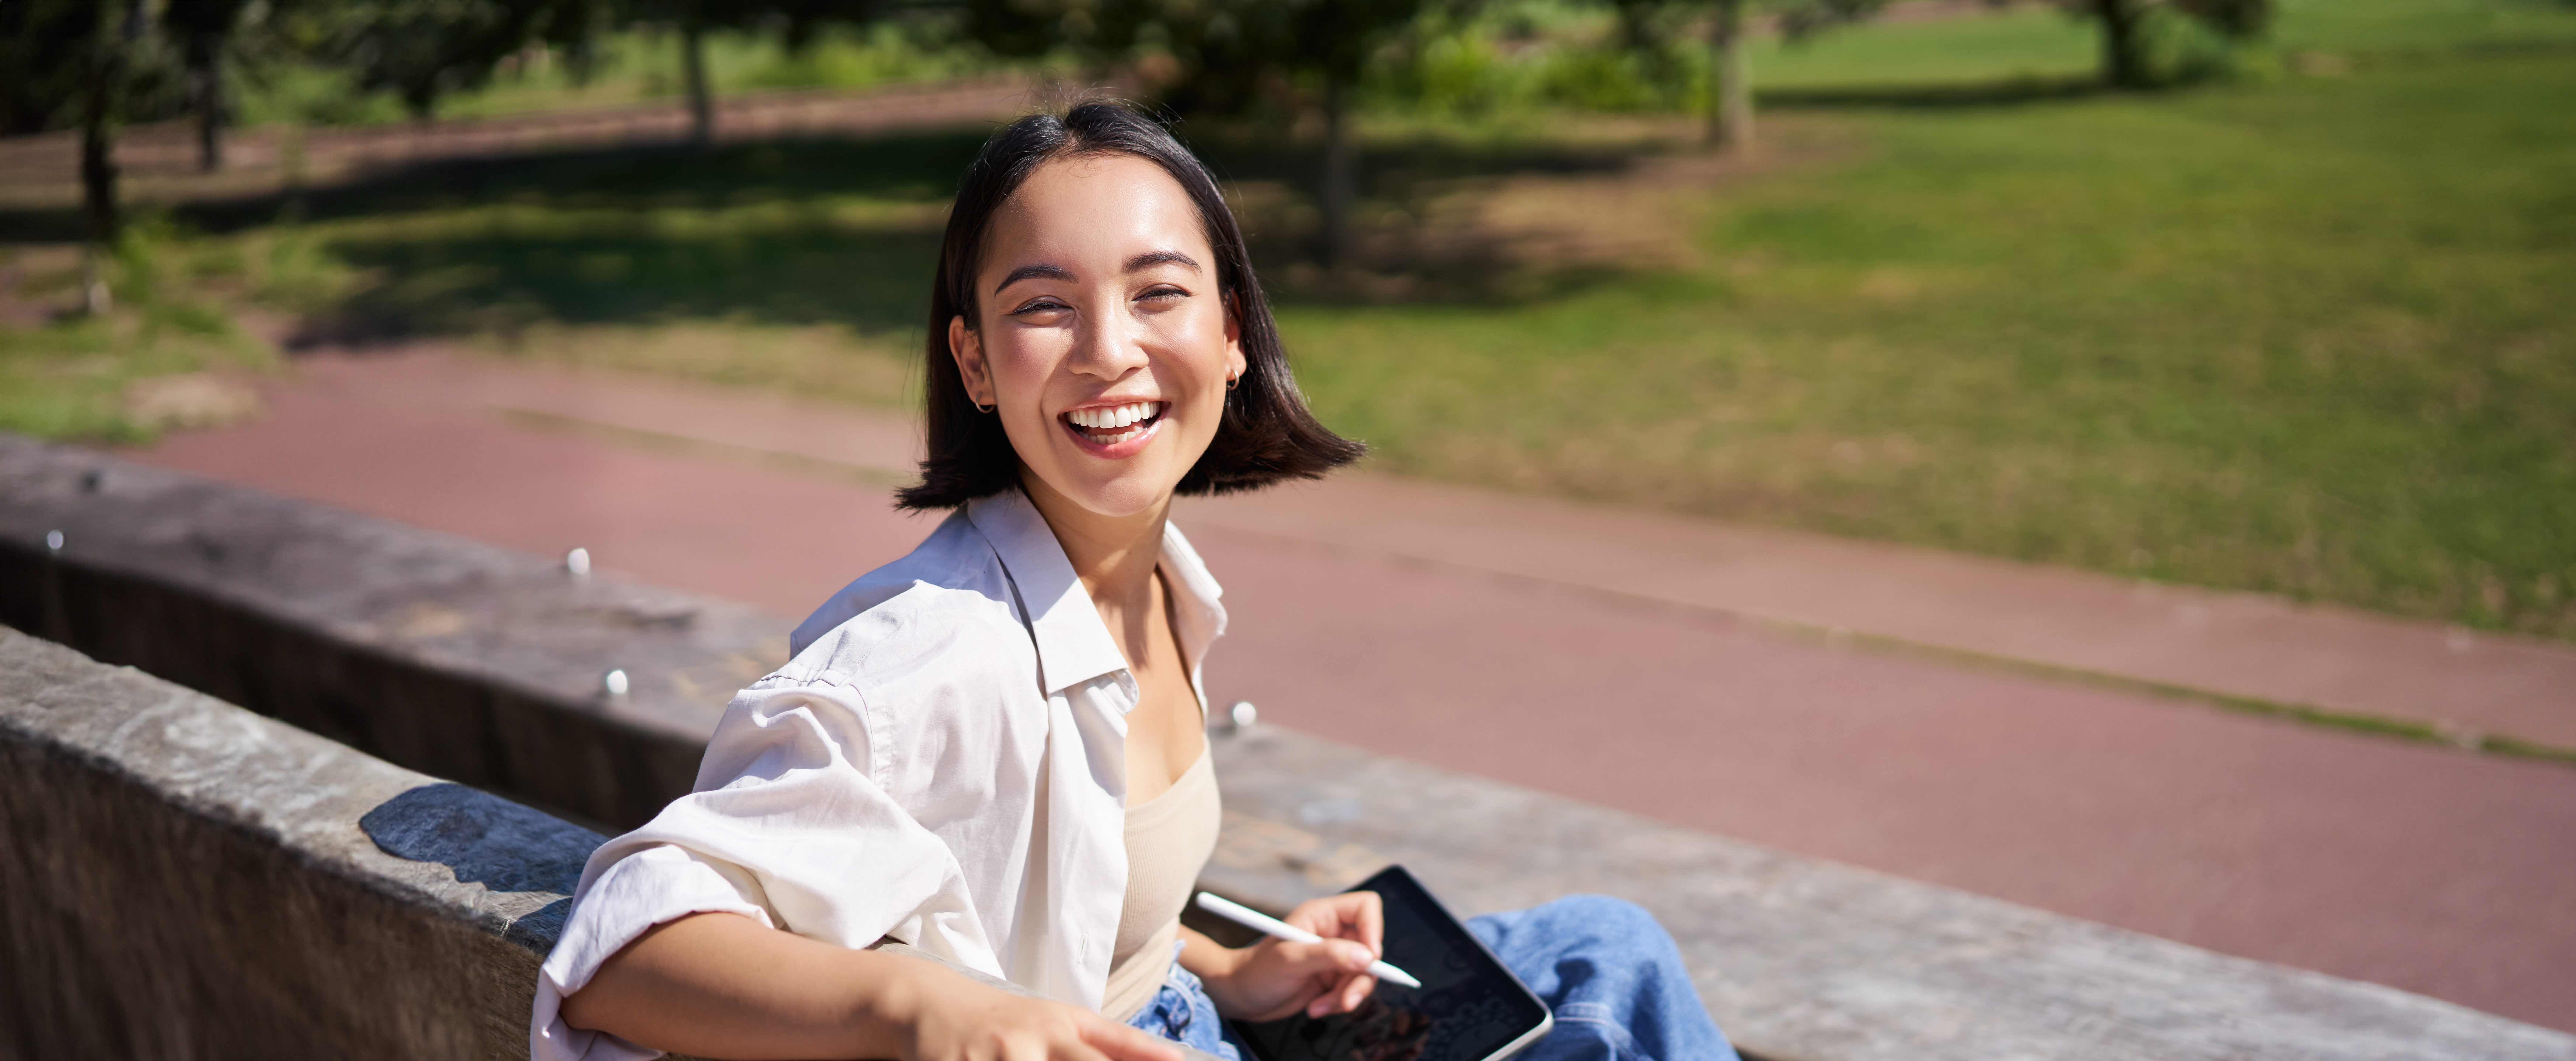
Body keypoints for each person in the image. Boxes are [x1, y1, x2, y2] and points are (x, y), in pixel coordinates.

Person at [533, 100, 1736, 1061]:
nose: (1109, 350)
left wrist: (1228, 969)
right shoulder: (925, 656)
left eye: (1158, 292)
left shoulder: (1158, 580)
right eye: (1043, 306)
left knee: (1602, 954)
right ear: (976, 362)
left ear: (1230, 333)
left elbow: (1079, 897)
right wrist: (924, 1014)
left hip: (1186, 1017)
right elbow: (625, 947)